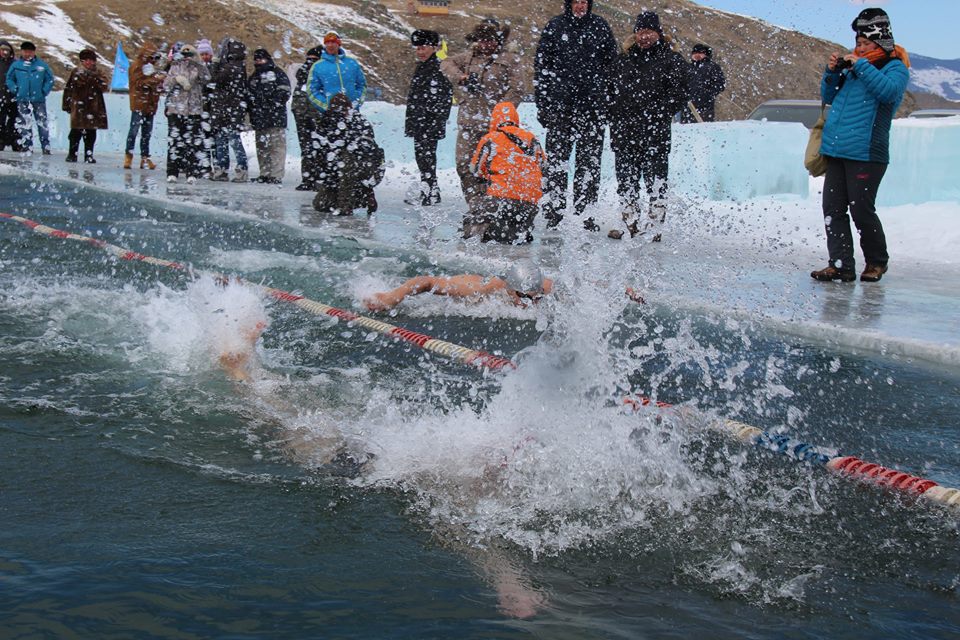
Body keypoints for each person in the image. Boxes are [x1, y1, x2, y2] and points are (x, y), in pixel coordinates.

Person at [811, 8, 909, 284]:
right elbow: (829, 96)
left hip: (867, 152)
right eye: (858, 43)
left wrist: (861, 65)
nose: (860, 48)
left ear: (882, 42)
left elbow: (888, 93)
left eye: (866, 43)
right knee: (832, 209)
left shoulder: (895, 68)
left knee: (861, 210)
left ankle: (877, 262)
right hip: (838, 149)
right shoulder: (855, 70)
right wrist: (831, 73)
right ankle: (840, 264)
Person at [535, 0, 617, 229]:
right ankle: (554, 213)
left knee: (589, 164)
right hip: (561, 108)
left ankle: (586, 214)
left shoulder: (600, 27)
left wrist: (608, 102)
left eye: (584, 2)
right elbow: (542, 67)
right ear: (568, 4)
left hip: (592, 109)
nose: (580, 6)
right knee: (556, 163)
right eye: (576, 1)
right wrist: (543, 104)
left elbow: (612, 67)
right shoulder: (555, 26)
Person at [607, 12, 689, 241]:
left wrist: (657, 113)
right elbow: (608, 92)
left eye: (649, 32)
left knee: (656, 183)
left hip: (655, 133)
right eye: (641, 32)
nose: (644, 37)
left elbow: (680, 93)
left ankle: (655, 228)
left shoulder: (672, 60)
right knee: (626, 182)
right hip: (624, 133)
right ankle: (631, 225)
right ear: (635, 34)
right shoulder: (622, 59)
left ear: (658, 33)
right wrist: (614, 113)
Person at [441, 20, 522, 220]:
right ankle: (476, 206)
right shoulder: (468, 57)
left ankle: (493, 208)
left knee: (493, 169)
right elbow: (445, 63)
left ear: (498, 41)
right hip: (469, 122)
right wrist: (461, 77)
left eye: (490, 40)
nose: (486, 44)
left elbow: (518, 88)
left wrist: (501, 112)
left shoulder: (510, 60)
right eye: (482, 40)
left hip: (496, 129)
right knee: (464, 165)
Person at [468, 101, 547, 244]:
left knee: (475, 220)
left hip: (500, 196)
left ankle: (475, 241)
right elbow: (543, 166)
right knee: (517, 233)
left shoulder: (490, 138)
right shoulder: (531, 138)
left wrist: (489, 176)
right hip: (530, 200)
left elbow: (476, 170)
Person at [364, 261, 553, 312]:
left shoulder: (543, 288)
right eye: (523, 296)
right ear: (510, 288)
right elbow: (426, 282)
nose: (528, 303)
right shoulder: (482, 289)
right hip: (467, 282)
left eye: (535, 297)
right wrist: (391, 298)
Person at [312, 93, 384, 216]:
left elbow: (365, 149)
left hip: (362, 168)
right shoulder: (327, 122)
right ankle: (361, 197)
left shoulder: (356, 122)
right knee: (321, 204)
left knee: (347, 161)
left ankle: (349, 203)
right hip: (348, 171)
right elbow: (321, 153)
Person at [405, 29, 453, 206]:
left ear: (433, 47)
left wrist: (437, 120)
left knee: (427, 157)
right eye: (417, 48)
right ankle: (430, 190)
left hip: (429, 121)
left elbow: (445, 97)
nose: (420, 51)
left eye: (423, 47)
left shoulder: (439, 67)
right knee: (422, 157)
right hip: (420, 120)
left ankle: (430, 192)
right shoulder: (421, 67)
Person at [163, 44, 211, 183]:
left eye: (189, 55)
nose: (187, 58)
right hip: (176, 109)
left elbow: (207, 78)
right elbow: (166, 85)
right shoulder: (175, 66)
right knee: (175, 141)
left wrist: (199, 62)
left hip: (193, 109)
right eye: (184, 55)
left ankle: (192, 172)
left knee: (193, 142)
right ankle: (172, 171)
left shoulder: (198, 66)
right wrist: (175, 79)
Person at [209, 38, 250, 183]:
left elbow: (213, 79)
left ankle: (224, 169)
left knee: (224, 140)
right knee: (233, 139)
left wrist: (214, 64)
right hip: (234, 111)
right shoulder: (241, 68)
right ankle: (240, 168)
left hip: (223, 109)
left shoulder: (229, 68)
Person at [247, 48, 290, 184]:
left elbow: (285, 92)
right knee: (262, 147)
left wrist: (272, 104)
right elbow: (249, 95)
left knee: (276, 147)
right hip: (259, 119)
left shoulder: (278, 73)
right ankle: (264, 173)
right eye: (256, 59)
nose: (258, 61)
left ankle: (276, 175)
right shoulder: (254, 77)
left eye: (261, 58)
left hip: (275, 118)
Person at [5, 41, 54, 155]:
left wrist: (44, 91)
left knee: (42, 124)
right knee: (24, 124)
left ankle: (45, 147)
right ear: (22, 52)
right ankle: (27, 146)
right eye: (25, 52)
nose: (28, 54)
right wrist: (15, 89)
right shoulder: (16, 65)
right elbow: (9, 79)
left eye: (30, 52)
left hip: (38, 99)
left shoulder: (42, 65)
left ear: (34, 52)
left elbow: (50, 80)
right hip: (22, 99)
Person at [62, 49, 109, 163]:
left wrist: (93, 77)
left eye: (90, 60)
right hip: (79, 108)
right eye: (85, 60)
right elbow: (68, 89)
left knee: (90, 134)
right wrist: (66, 104)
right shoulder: (76, 72)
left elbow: (104, 87)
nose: (88, 62)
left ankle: (89, 155)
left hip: (93, 107)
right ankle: (72, 154)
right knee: (75, 133)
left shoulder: (99, 73)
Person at [125, 41, 166, 170]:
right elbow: (138, 83)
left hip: (150, 104)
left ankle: (145, 158)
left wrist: (159, 87)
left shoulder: (150, 67)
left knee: (147, 133)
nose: (154, 60)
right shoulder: (137, 66)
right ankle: (129, 156)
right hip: (139, 104)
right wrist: (156, 80)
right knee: (134, 131)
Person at [291, 46, 324, 190]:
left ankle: (309, 178)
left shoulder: (305, 70)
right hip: (312, 113)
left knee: (307, 147)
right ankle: (314, 178)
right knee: (316, 146)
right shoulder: (317, 70)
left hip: (303, 112)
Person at [308, 31, 366, 113]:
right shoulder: (317, 66)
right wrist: (326, 106)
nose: (330, 45)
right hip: (329, 114)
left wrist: (356, 102)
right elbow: (312, 91)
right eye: (327, 42)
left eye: (333, 42)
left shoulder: (352, 63)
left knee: (366, 126)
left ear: (338, 44)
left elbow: (362, 85)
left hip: (352, 111)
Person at [680, 43, 725, 123]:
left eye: (700, 53)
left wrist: (707, 94)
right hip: (688, 107)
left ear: (706, 54)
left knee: (703, 130)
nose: (697, 55)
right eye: (694, 53)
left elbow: (720, 84)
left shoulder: (713, 67)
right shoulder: (687, 68)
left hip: (705, 108)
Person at [0, 40, 19, 151]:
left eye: (7, 50)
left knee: (14, 120)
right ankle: (1, 141)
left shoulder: (15, 63)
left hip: (13, 95)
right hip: (0, 96)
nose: (5, 52)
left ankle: (13, 141)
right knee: (0, 120)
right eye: (2, 50)